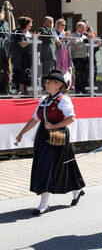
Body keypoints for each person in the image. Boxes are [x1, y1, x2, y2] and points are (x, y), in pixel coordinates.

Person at [16, 70, 85, 215]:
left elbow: (71, 118)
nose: (46, 84)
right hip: (43, 136)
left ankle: (44, 203)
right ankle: (76, 190)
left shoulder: (64, 100)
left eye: (49, 82)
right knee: (55, 166)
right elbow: (35, 118)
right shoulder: (44, 100)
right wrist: (22, 132)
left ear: (58, 85)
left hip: (58, 136)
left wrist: (54, 126)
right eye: (46, 82)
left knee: (53, 167)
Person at [11, 16, 33, 95]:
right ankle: (21, 89)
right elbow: (22, 44)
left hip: (28, 57)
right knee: (21, 73)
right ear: (25, 24)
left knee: (27, 73)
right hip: (19, 57)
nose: (31, 26)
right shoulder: (18, 32)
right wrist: (32, 40)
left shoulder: (28, 33)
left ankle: (26, 90)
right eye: (30, 24)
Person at [70, 22, 90, 93]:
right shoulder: (73, 35)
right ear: (78, 28)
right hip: (77, 57)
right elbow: (75, 45)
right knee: (78, 74)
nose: (85, 29)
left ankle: (84, 89)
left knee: (85, 74)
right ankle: (78, 90)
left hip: (85, 57)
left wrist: (90, 40)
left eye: (85, 28)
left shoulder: (85, 36)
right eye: (83, 27)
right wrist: (83, 42)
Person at [39, 16, 57, 86]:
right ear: (46, 22)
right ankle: (44, 85)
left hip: (52, 54)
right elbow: (47, 37)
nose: (52, 23)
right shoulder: (42, 29)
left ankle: (50, 85)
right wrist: (52, 29)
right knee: (46, 71)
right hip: (46, 54)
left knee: (51, 71)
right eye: (50, 22)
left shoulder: (52, 30)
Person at [0, 5, 10, 94]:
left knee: (6, 71)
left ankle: (5, 90)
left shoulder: (6, 24)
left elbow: (8, 36)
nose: (1, 14)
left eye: (2, 13)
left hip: (5, 50)